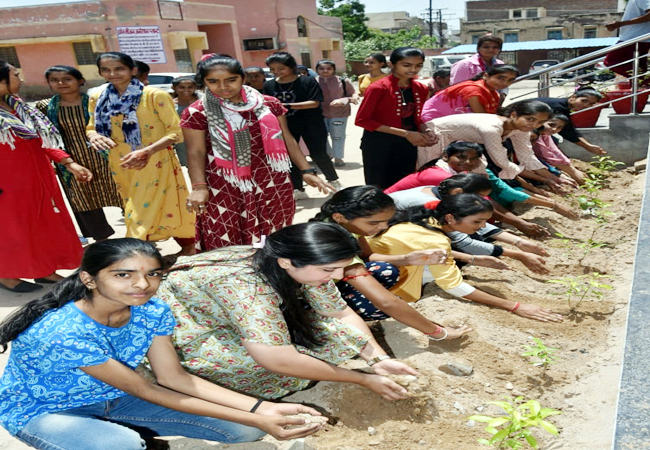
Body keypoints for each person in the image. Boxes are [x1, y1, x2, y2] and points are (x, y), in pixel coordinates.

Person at [0, 238, 327, 450]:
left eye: (153, 274)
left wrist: (262, 410)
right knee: (121, 446)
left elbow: (174, 378)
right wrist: (259, 416)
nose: (142, 285)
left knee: (243, 432)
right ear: (89, 278)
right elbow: (149, 390)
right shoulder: (63, 330)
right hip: (47, 411)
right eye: (123, 275)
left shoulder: (151, 308)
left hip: (118, 400)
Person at [157, 222, 420, 401]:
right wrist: (361, 379)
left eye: (341, 267)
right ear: (285, 262)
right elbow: (275, 359)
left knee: (336, 338)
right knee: (256, 364)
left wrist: (378, 360)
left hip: (234, 314)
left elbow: (338, 314)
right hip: (186, 327)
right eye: (329, 270)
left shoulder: (296, 263)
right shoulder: (246, 287)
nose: (338, 276)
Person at [181, 55, 331, 251]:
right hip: (224, 183)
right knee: (226, 234)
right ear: (204, 82)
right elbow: (196, 151)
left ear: (242, 78)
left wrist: (306, 170)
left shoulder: (268, 103)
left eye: (231, 79)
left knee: (276, 232)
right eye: (213, 81)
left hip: (271, 179)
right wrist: (199, 187)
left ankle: (273, 275)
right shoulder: (197, 111)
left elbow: (287, 138)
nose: (223, 86)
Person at [367, 194, 564, 322]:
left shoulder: (427, 217)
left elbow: (423, 249)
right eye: (477, 221)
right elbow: (453, 286)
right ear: (451, 218)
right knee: (433, 276)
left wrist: (473, 259)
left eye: (484, 221)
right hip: (379, 274)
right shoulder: (433, 237)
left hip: (378, 260)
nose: (481, 227)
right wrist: (514, 305)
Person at [311, 186, 472, 339]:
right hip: (307, 302)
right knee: (380, 304)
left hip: (327, 287)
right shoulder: (334, 245)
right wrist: (438, 332)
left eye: (387, 220)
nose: (383, 227)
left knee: (385, 270)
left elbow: (367, 256)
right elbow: (387, 302)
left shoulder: (344, 227)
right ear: (340, 217)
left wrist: (406, 259)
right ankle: (329, 324)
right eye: (374, 223)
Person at [86, 52, 196, 255]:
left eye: (119, 68)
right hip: (120, 162)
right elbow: (91, 127)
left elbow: (176, 132)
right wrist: (93, 136)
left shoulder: (154, 96)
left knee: (139, 209)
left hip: (154, 160)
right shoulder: (97, 98)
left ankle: (135, 254)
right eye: (106, 69)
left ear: (133, 70)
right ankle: (189, 247)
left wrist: (146, 151)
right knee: (152, 203)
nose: (113, 73)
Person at [0, 61, 92, 293]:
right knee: (11, 229)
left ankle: (44, 269)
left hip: (37, 177)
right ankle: (7, 274)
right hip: (7, 184)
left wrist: (68, 162)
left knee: (43, 223)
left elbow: (42, 140)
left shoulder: (19, 106)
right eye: (14, 75)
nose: (20, 79)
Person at [389, 142, 562, 237]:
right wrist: (519, 223)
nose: (468, 162)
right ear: (445, 156)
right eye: (462, 157)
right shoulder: (440, 177)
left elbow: (490, 196)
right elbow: (479, 203)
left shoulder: (458, 173)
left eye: (474, 159)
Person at [36, 65, 122, 243]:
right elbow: (45, 137)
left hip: (106, 157)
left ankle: (140, 237)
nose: (61, 83)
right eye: (54, 80)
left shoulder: (96, 101)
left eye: (67, 79)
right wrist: (64, 162)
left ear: (80, 81)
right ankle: (103, 243)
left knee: (123, 194)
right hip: (70, 162)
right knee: (84, 202)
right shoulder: (44, 107)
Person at [355, 47, 437, 189]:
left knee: (404, 185)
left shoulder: (420, 88)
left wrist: (427, 130)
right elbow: (362, 120)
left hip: (408, 144)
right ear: (391, 64)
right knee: (378, 188)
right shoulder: (379, 87)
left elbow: (416, 118)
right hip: (379, 145)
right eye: (407, 65)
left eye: (418, 65)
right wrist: (406, 134)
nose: (413, 69)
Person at [264, 52, 342, 198]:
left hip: (311, 122)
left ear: (291, 67)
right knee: (290, 156)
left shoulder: (307, 81)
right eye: (273, 69)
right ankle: (298, 188)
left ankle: (333, 181)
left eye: (280, 68)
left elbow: (314, 103)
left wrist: (286, 105)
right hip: (285, 124)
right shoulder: (269, 85)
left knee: (318, 153)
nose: (276, 72)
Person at [419, 100, 554, 180]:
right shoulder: (491, 128)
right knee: (428, 170)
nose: (534, 125)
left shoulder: (521, 129)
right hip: (436, 135)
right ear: (514, 115)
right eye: (530, 119)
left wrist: (555, 177)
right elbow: (500, 160)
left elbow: (527, 155)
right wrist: (548, 178)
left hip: (461, 141)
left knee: (480, 170)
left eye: (540, 123)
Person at [421, 64, 519, 122]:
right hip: (433, 121)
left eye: (510, 80)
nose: (505, 83)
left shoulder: (493, 93)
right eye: (500, 78)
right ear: (486, 76)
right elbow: (483, 118)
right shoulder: (473, 90)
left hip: (454, 121)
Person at [536, 89, 608, 155]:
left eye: (590, 104)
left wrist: (589, 146)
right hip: (526, 130)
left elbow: (568, 128)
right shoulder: (558, 107)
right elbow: (567, 131)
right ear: (573, 97)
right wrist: (588, 147)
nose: (586, 105)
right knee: (550, 143)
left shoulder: (562, 105)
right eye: (584, 101)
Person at [315, 59, 358, 168]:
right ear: (317, 70)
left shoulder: (343, 81)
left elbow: (354, 95)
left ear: (333, 69)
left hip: (340, 114)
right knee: (321, 136)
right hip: (319, 114)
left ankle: (338, 158)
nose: (325, 70)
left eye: (329, 68)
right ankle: (329, 154)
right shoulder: (312, 81)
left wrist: (344, 100)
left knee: (338, 136)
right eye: (321, 68)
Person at [604, 0, 650, 84]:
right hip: (635, 38)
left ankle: (644, 82)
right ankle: (641, 84)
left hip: (635, 38)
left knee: (611, 61)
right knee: (636, 70)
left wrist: (621, 24)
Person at [532, 115, 587, 185]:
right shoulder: (533, 135)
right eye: (551, 125)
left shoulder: (546, 135)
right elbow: (546, 155)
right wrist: (572, 172)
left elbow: (555, 150)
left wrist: (570, 166)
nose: (554, 129)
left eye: (559, 127)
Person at [170, 75, 199, 166]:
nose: (186, 90)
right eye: (182, 87)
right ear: (174, 88)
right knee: (189, 164)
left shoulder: (201, 101)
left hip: (202, 136)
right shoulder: (171, 104)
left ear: (195, 87)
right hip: (183, 140)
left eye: (190, 87)